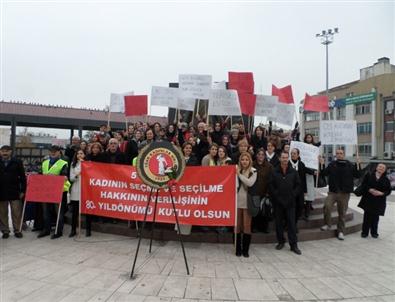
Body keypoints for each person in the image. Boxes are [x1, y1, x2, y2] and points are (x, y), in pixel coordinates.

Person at [319, 149, 361, 240]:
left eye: (341, 153)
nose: (339, 155)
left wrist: (359, 164)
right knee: (327, 206)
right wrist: (321, 164)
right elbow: (323, 173)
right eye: (337, 153)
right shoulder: (332, 164)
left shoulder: (350, 165)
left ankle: (341, 231)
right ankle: (327, 224)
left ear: (344, 155)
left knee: (342, 213)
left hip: (344, 193)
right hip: (333, 192)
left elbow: (358, 175)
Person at [269, 151, 302, 255]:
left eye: (286, 158)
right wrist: (276, 196)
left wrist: (293, 194)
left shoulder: (293, 172)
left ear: (288, 159)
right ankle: (281, 242)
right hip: (278, 203)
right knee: (278, 224)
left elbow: (298, 185)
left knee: (291, 224)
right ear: (280, 159)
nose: (284, 159)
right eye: (283, 157)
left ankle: (294, 245)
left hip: (290, 203)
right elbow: (271, 186)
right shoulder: (274, 171)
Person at [38, 145, 71, 239]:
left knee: (59, 211)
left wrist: (56, 177)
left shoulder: (63, 163)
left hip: (59, 190)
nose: (53, 153)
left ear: (59, 152)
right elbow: (41, 174)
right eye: (51, 151)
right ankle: (46, 229)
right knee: (45, 211)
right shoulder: (45, 162)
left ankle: (58, 231)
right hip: (46, 190)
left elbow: (64, 175)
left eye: (55, 151)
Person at [358, 163, 391, 238]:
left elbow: (388, 191)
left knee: (375, 217)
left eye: (383, 168)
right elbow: (364, 185)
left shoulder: (386, 179)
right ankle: (364, 232)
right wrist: (369, 189)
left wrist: (382, 193)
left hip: (379, 201)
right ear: (376, 167)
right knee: (367, 216)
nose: (381, 168)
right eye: (380, 167)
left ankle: (374, 232)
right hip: (368, 199)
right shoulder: (369, 175)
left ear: (385, 170)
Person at [0, 145, 26, 239]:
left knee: (16, 212)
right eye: (2, 151)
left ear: (10, 152)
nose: (4, 153)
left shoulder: (17, 162)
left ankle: (17, 230)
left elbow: (23, 177)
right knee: (2, 213)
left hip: (15, 191)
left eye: (6, 151)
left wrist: (23, 190)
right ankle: (5, 230)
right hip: (1, 191)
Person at [235, 152, 257, 257]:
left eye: (246, 159)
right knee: (237, 226)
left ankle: (246, 249)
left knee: (247, 226)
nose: (244, 161)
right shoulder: (236, 170)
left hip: (247, 203)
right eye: (242, 159)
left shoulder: (253, 171)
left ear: (249, 161)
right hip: (237, 202)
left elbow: (249, 183)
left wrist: (239, 175)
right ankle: (238, 248)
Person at [252, 149, 273, 233]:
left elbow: (271, 180)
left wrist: (268, 192)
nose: (260, 156)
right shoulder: (252, 165)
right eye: (259, 154)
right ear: (256, 155)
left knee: (264, 210)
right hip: (254, 192)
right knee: (255, 211)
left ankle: (264, 227)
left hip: (265, 193)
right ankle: (255, 227)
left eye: (262, 155)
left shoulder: (269, 166)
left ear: (264, 156)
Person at [69, 148, 86, 237]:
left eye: (81, 153)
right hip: (76, 189)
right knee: (75, 211)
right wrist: (76, 175)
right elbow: (71, 177)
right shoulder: (73, 164)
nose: (80, 155)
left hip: (84, 189)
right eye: (78, 153)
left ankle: (87, 230)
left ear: (84, 155)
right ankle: (73, 230)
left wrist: (84, 165)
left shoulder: (87, 164)